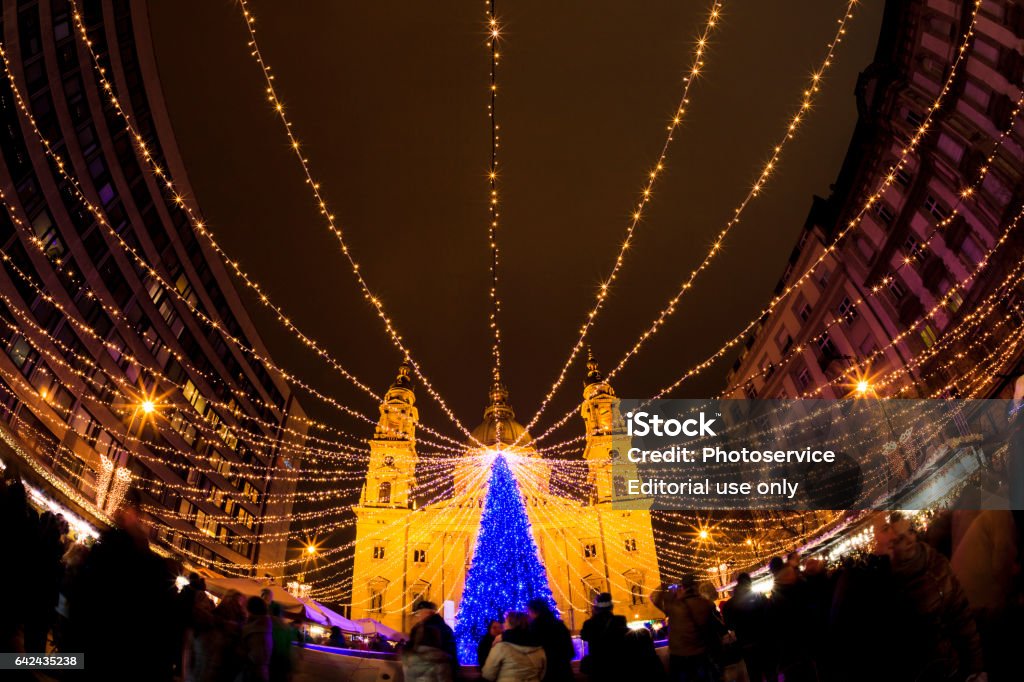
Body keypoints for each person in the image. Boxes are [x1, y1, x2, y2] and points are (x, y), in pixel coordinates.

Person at [651, 576, 724, 682]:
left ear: (682, 588)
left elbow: (654, 597)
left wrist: (666, 583)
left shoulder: (674, 606)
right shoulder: (706, 604)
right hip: (699, 654)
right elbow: (717, 628)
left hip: (678, 655)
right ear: (696, 587)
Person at [721, 574, 770, 682]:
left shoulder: (730, 604)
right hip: (764, 640)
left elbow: (729, 625)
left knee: (754, 674)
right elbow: (769, 615)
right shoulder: (760, 597)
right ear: (750, 583)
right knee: (769, 671)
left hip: (746, 643)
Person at [481, 611, 547, 682]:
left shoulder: (501, 646)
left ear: (510, 625)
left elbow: (488, 674)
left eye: (505, 622)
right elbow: (542, 674)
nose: (503, 625)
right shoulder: (539, 648)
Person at [402, 600, 457, 682]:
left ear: (429, 613)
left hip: (434, 669)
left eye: (421, 613)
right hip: (434, 670)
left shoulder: (436, 628)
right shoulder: (444, 628)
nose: (419, 616)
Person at [579, 592, 628, 681]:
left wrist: (593, 616)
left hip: (597, 667)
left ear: (596, 608)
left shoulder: (589, 623)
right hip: (617, 665)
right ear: (611, 607)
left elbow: (584, 636)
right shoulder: (620, 620)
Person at [526, 598, 574, 682]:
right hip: (563, 670)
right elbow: (569, 650)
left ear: (533, 611)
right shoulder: (559, 624)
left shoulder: (534, 627)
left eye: (528, 611)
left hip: (545, 672)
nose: (528, 614)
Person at [238, 596, 273, 682]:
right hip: (261, 673)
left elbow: (258, 656)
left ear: (250, 609)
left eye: (245, 607)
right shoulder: (263, 625)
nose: (243, 610)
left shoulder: (256, 629)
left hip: (253, 675)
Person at [268, 602, 295, 682]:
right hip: (282, 663)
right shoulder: (287, 628)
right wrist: (290, 669)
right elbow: (289, 650)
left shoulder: (267, 625)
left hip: (269, 662)